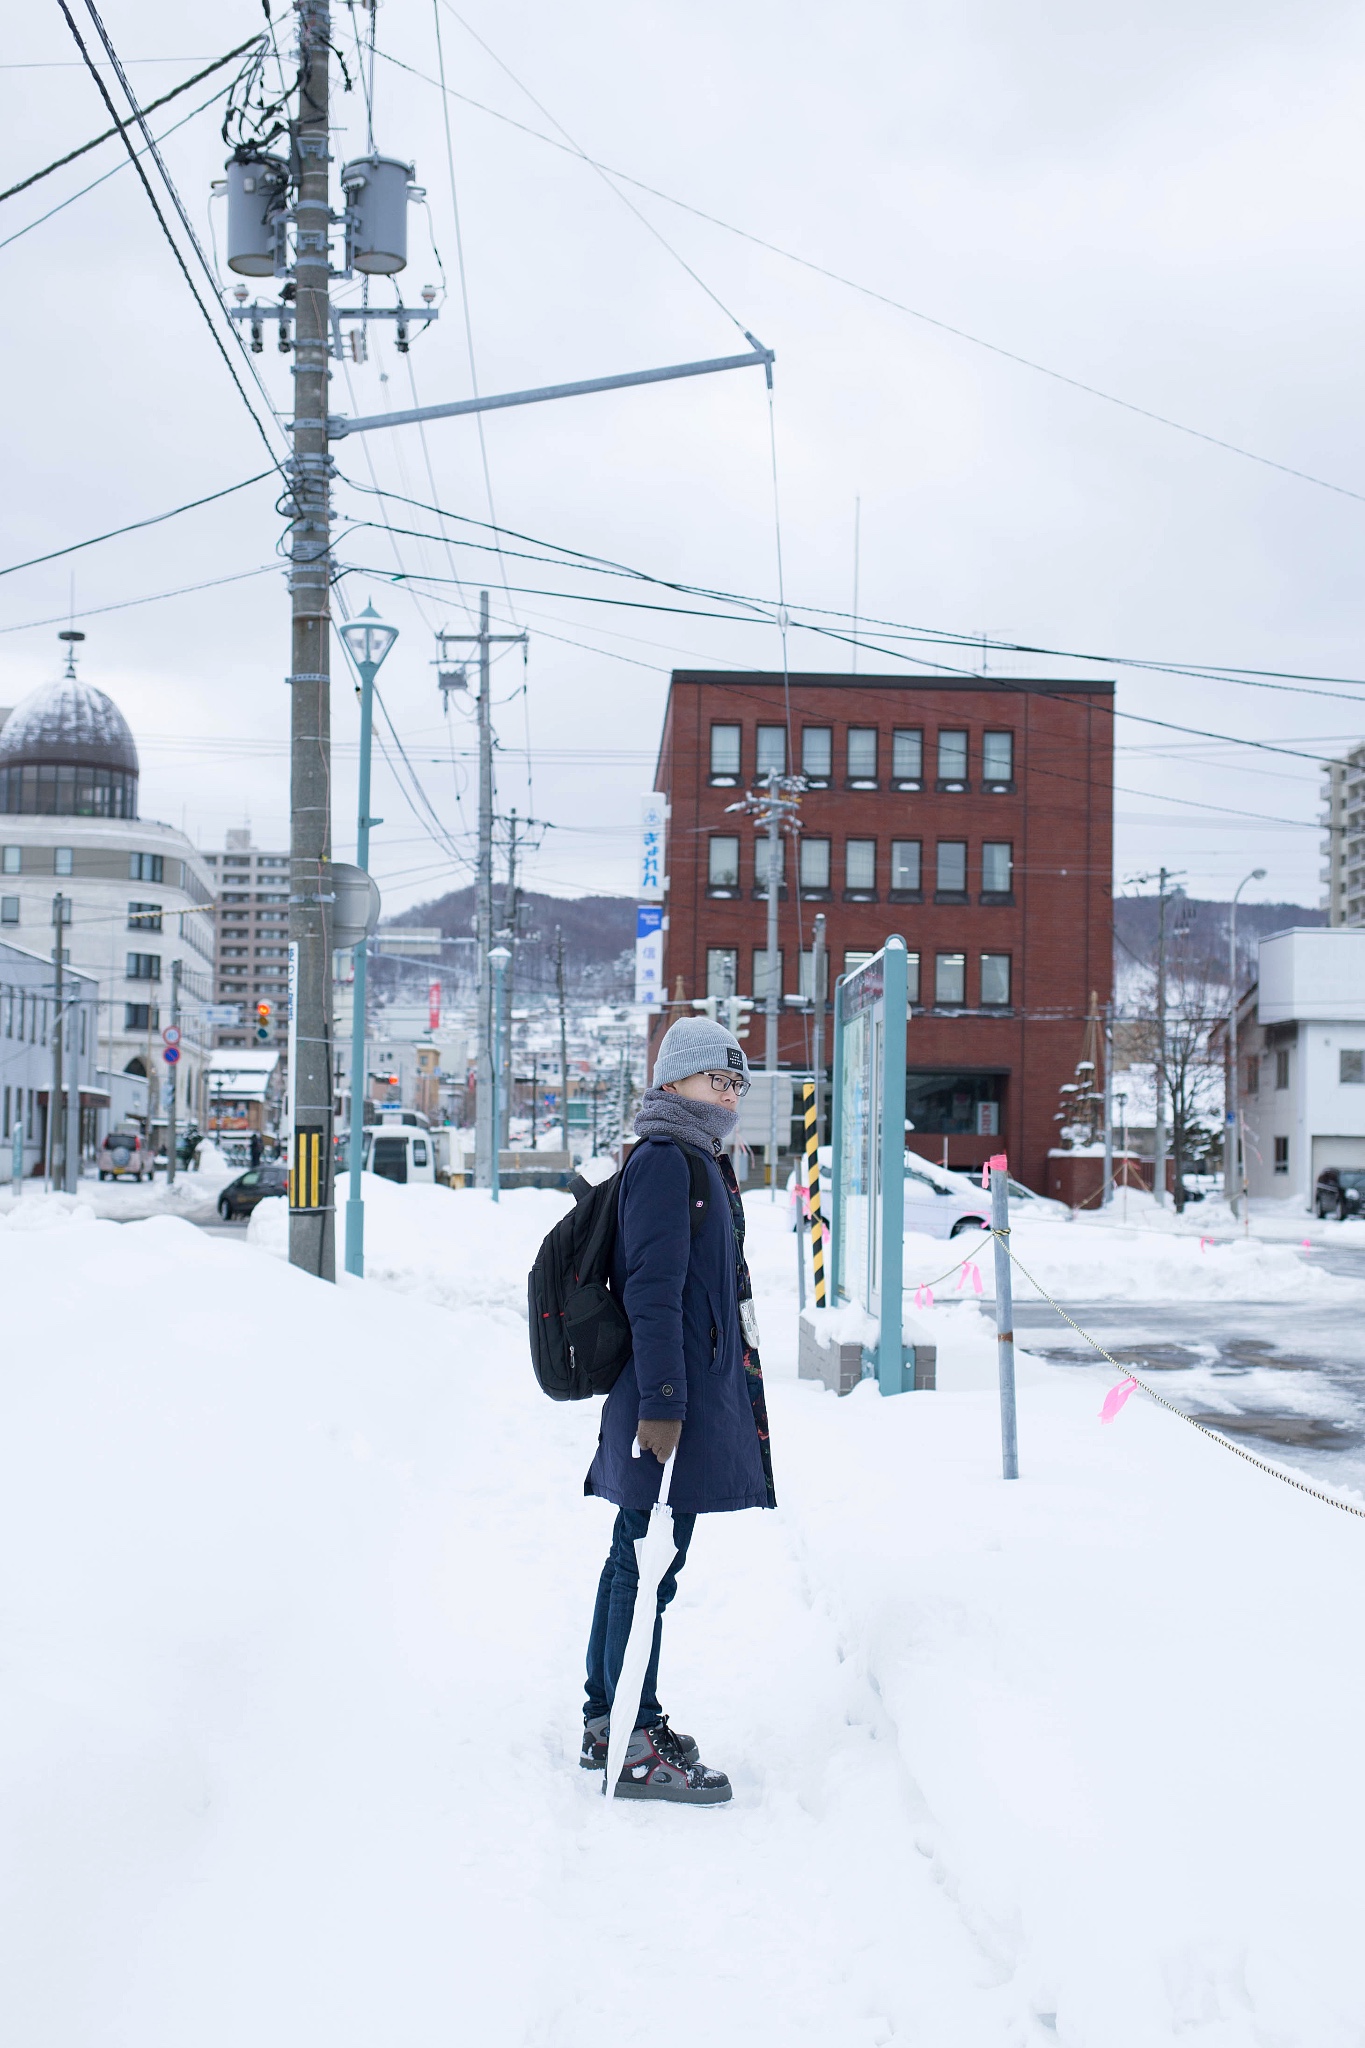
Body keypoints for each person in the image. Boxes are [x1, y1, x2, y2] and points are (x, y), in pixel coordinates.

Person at [581, 1014, 775, 1804]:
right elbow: (651, 1291)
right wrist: (662, 1408)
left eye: (734, 1083)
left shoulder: (696, 1159)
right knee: (648, 1563)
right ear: (671, 1083)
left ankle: (613, 1719)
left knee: (637, 1557)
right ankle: (630, 1742)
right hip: (667, 1403)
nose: (726, 1094)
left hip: (681, 1394)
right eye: (713, 1079)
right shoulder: (667, 1161)